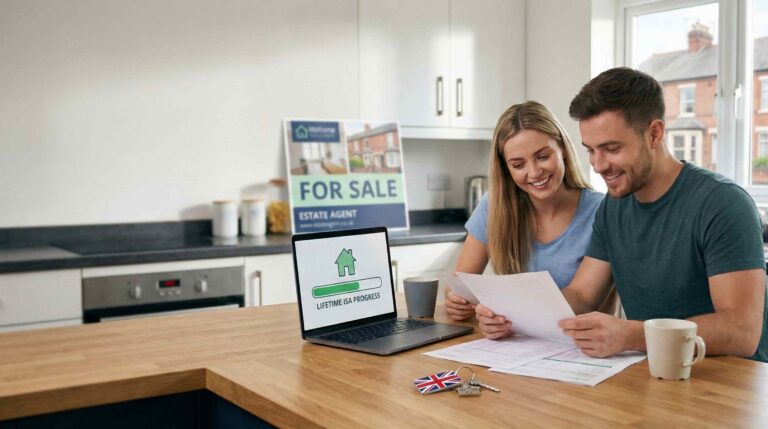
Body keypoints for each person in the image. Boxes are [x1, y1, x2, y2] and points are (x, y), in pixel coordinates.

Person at [477, 67, 768, 362]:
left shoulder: (723, 204)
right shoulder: (613, 208)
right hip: (656, 373)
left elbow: (741, 332)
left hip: (728, 384)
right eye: (590, 150)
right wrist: (510, 314)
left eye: (611, 148)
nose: (599, 165)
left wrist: (631, 335)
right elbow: (581, 295)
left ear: (654, 133)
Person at [445, 101, 604, 323]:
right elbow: (459, 284)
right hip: (517, 346)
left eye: (542, 156)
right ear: (507, 170)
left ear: (563, 150)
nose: (534, 172)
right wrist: (459, 303)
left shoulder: (601, 211)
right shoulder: (494, 206)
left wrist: (509, 314)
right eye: (518, 165)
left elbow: (584, 300)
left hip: (581, 348)